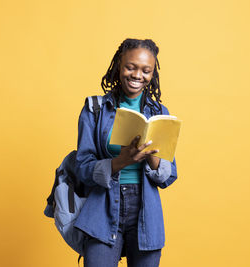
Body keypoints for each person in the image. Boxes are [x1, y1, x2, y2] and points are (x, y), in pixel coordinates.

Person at [73, 38, 178, 267]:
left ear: (152, 74)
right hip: (103, 207)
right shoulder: (94, 109)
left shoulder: (161, 112)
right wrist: (118, 162)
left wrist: (152, 156)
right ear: (119, 66)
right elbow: (81, 166)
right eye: (130, 67)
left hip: (145, 211)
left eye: (146, 70)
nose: (137, 75)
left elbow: (169, 175)